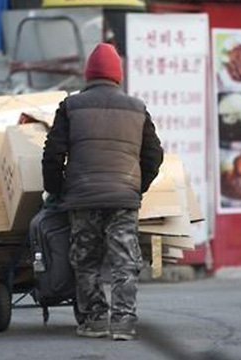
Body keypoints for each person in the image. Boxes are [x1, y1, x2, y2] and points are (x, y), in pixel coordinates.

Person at [42, 43, 164, 340]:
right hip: (124, 198)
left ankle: (95, 319)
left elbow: (52, 155)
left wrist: (57, 192)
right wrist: (136, 188)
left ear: (88, 74)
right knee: (124, 260)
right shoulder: (137, 108)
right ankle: (123, 321)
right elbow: (154, 156)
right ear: (118, 75)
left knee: (86, 260)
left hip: (82, 199)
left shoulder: (70, 106)